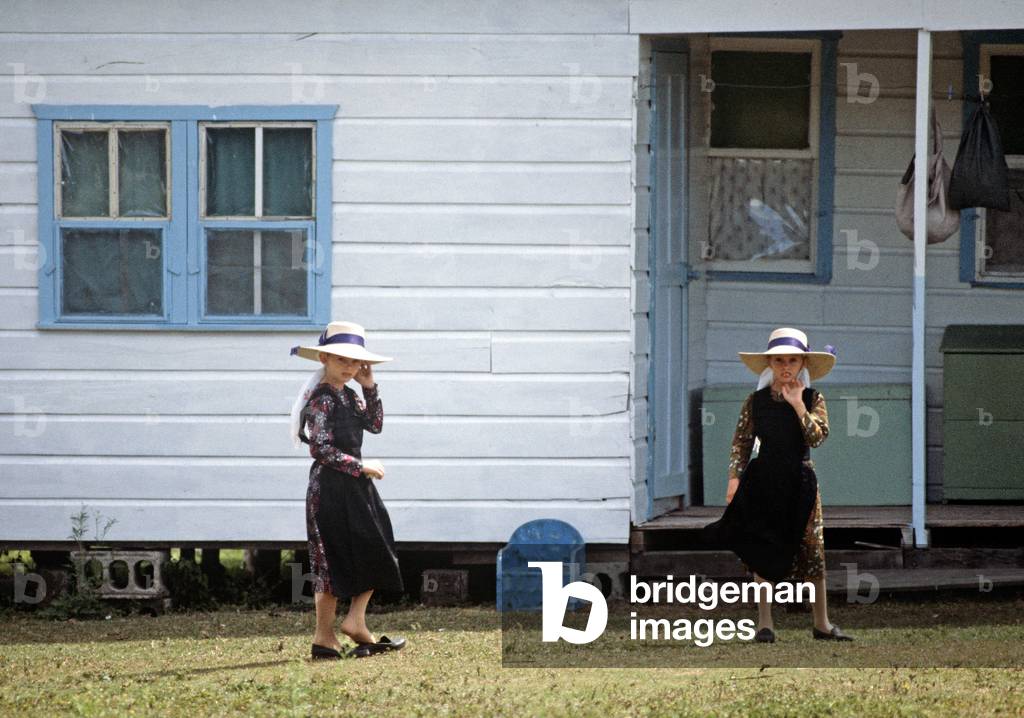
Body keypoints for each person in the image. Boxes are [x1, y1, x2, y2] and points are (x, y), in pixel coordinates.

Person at [702, 327, 853, 643]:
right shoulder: (756, 401)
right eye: (779, 361)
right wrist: (734, 479)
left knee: (812, 549)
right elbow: (741, 441)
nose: (786, 367)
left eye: (793, 361)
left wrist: (798, 405)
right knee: (763, 547)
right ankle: (765, 624)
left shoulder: (813, 398)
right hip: (764, 480)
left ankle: (821, 623)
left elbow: (817, 437)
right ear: (770, 364)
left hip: (800, 481)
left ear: (802, 364)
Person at [289, 320, 407, 660]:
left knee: (376, 546)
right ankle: (323, 638)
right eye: (342, 360)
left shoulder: (350, 395)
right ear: (325, 359)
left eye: (355, 362)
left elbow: (375, 425)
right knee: (330, 560)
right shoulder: (321, 399)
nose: (350, 367)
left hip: (355, 487)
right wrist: (361, 466)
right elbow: (320, 448)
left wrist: (369, 386)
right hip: (328, 488)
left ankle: (356, 621)